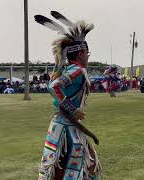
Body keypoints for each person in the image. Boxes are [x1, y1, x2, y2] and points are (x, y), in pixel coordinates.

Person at [36, 13, 102, 180]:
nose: (88, 56)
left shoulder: (66, 69)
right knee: (74, 165)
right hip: (68, 127)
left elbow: (54, 82)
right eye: (87, 53)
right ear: (81, 54)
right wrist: (73, 109)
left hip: (60, 125)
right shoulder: (77, 70)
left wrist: (59, 62)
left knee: (63, 164)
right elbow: (53, 87)